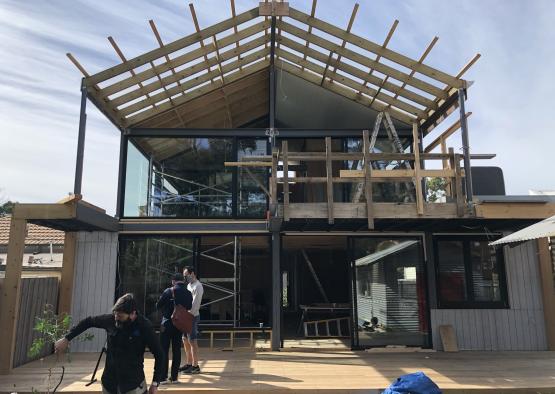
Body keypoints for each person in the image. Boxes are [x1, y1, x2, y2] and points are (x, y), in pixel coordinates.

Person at [54, 293, 164, 394]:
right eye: (115, 314)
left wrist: (155, 383)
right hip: (109, 383)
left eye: (120, 316)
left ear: (132, 314)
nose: (116, 318)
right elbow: (88, 322)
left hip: (133, 384)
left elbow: (160, 355)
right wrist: (66, 339)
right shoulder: (111, 320)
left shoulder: (144, 327)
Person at [155, 272, 192, 383]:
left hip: (166, 323)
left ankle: (163, 377)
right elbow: (189, 307)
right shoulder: (188, 293)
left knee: (163, 350)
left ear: (173, 281)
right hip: (179, 324)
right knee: (177, 350)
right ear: (182, 280)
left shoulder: (169, 291)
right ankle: (174, 378)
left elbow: (158, 305)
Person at [179, 266, 204, 375]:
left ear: (192, 273)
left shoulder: (198, 286)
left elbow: (195, 304)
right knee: (185, 339)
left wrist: (188, 315)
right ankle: (189, 363)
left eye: (186, 275)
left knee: (192, 340)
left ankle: (195, 365)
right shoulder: (189, 285)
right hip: (186, 316)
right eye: (184, 276)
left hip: (192, 316)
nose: (185, 277)